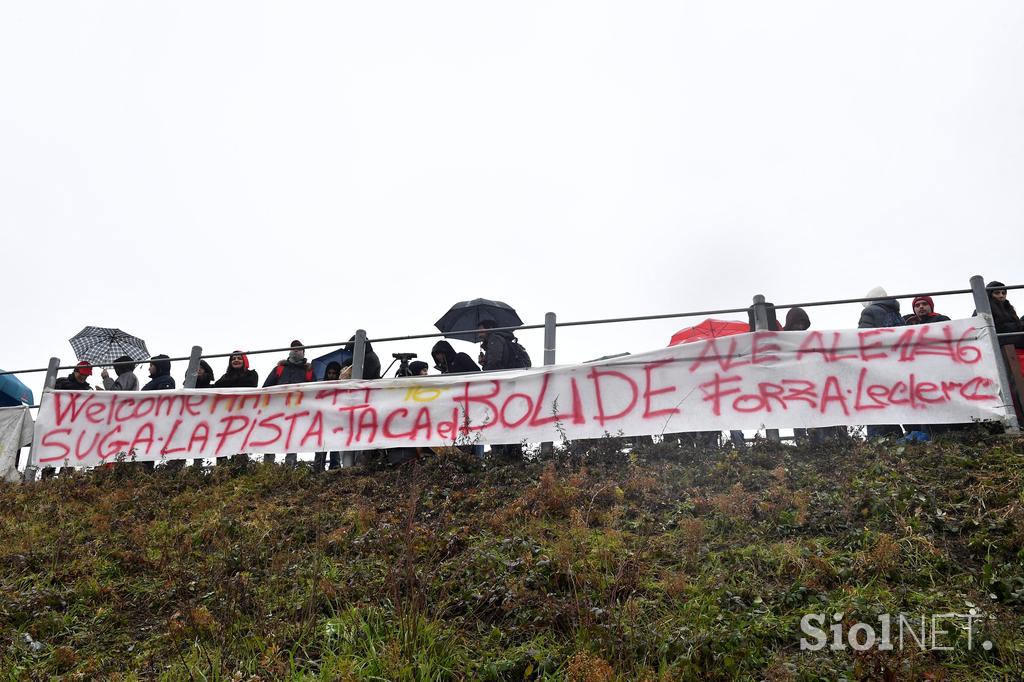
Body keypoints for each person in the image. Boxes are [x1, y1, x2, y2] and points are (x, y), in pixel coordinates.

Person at [263, 341, 316, 465]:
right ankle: (267, 468)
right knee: (272, 437)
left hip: (297, 411)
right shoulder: (279, 369)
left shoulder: (309, 371)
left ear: (304, 352)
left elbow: (314, 392)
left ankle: (289, 468)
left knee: (293, 438)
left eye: (299, 349)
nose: (296, 351)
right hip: (277, 410)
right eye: (294, 348)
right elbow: (265, 388)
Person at [313, 362, 343, 472]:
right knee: (321, 448)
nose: (331, 375)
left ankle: (334, 470)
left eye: (334, 373)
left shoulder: (341, 387)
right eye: (329, 373)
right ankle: (318, 470)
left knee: (334, 449)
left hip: (335, 422)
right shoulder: (321, 387)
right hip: (323, 422)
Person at [986, 281, 1024, 348]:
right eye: (997, 293)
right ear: (990, 294)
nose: (1001, 296)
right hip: (1000, 340)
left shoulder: (1008, 307)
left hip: (1013, 336)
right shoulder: (985, 308)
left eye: (1003, 293)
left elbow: (1017, 324)